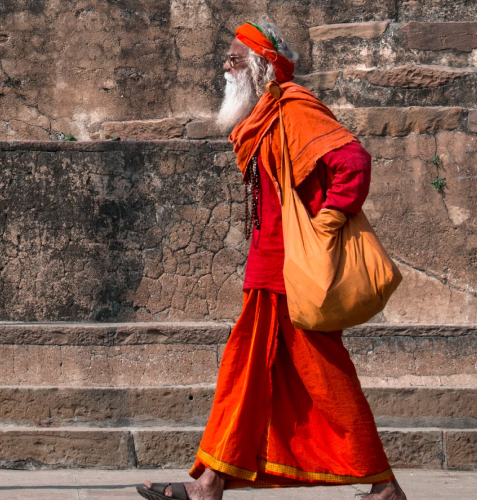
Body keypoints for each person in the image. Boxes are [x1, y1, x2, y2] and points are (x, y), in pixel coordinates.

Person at [137, 22, 406, 500]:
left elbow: (354, 163)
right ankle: (210, 482)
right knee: (245, 372)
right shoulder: (264, 115)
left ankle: (384, 487)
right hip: (269, 267)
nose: (225, 66)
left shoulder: (294, 108)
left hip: (295, 270)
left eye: (234, 59)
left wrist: (328, 221)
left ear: (261, 66)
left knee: (326, 377)